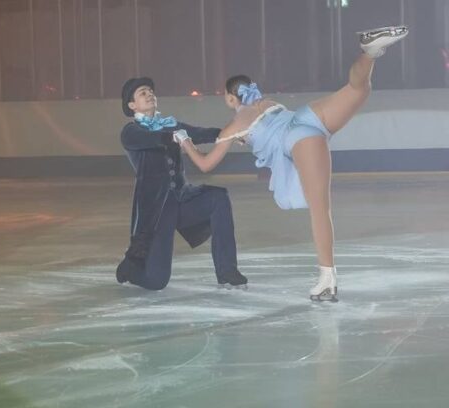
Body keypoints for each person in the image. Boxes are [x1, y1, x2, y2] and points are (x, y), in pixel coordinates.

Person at [176, 25, 409, 301]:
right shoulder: (265, 101)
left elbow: (205, 165)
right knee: (358, 88)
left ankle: (327, 280)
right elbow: (263, 125)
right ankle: (370, 52)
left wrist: (185, 142)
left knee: (320, 209)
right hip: (308, 116)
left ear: (229, 97)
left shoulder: (232, 127)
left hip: (297, 138)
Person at [116, 77, 247, 291]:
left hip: (182, 199)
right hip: (157, 211)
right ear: (132, 105)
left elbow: (200, 133)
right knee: (156, 281)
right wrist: (173, 136)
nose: (149, 94)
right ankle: (130, 269)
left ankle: (227, 271)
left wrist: (228, 135)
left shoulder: (170, 124)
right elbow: (152, 139)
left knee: (218, 198)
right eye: (142, 93)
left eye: (150, 90)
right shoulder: (130, 132)